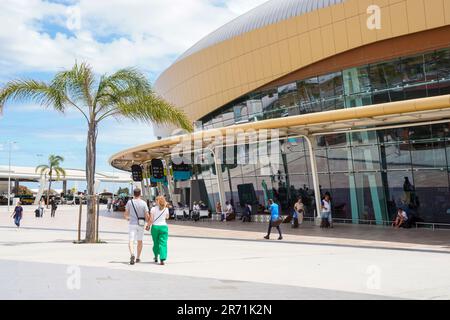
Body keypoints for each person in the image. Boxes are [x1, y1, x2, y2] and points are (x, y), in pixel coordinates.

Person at [124, 188, 150, 265]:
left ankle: (132, 254)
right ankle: (138, 258)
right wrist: (148, 223)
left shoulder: (129, 202)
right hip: (141, 224)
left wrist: (127, 218)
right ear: (140, 193)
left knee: (131, 240)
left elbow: (126, 213)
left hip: (132, 223)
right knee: (140, 240)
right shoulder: (143, 203)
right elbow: (147, 215)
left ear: (133, 193)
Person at [148, 195, 170, 265]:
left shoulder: (153, 209)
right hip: (164, 227)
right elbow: (167, 217)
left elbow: (151, 219)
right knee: (163, 243)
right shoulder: (166, 209)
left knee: (156, 243)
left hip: (155, 227)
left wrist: (148, 225)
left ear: (157, 201)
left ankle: (156, 256)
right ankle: (162, 258)